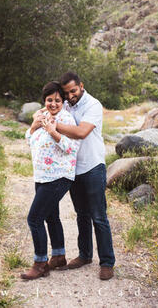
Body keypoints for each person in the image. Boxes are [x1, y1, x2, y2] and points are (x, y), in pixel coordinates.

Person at [32, 72, 116, 280]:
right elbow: (50, 106)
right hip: (74, 168)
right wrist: (41, 116)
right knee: (82, 214)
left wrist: (51, 124)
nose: (70, 96)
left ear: (81, 86)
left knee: (99, 216)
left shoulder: (93, 105)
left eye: (73, 91)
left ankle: (107, 262)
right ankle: (85, 255)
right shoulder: (67, 103)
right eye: (67, 92)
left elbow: (80, 132)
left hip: (93, 165)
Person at [20, 82, 80, 280]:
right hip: (42, 176)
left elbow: (71, 148)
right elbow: (30, 140)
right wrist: (34, 126)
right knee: (51, 217)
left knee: (34, 218)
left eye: (57, 100)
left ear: (62, 101)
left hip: (59, 176)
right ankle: (59, 256)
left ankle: (40, 264)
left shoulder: (66, 119)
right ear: (44, 100)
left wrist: (54, 132)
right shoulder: (41, 115)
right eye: (49, 100)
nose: (53, 104)